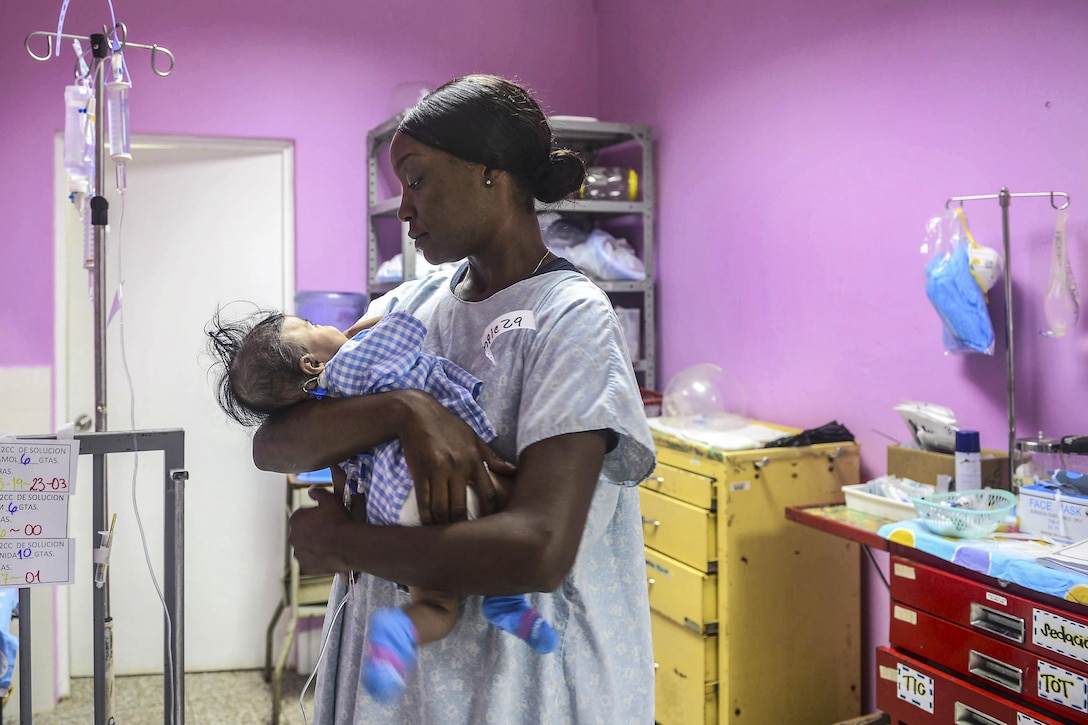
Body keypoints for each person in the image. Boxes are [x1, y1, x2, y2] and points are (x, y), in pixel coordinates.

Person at [252, 74, 656, 723]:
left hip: (519, 688)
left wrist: (345, 542)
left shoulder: (570, 320)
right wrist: (404, 409)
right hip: (404, 690)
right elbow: (275, 441)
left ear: (489, 173)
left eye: (416, 179)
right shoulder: (412, 303)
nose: (404, 207)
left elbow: (539, 548)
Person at [204, 308, 559, 703]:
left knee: (438, 604)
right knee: (508, 495)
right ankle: (506, 599)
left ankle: (401, 630)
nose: (324, 324)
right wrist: (373, 325)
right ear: (311, 363)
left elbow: (341, 475)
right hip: (431, 478)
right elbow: (405, 328)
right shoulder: (356, 360)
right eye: (310, 325)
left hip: (393, 510)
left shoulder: (326, 407)